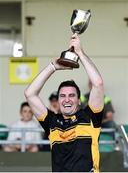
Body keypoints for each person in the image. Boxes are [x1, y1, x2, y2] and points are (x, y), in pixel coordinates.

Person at [25, 33, 104, 172]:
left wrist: (80, 52)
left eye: (71, 95)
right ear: (59, 100)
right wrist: (53, 67)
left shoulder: (90, 117)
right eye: (62, 96)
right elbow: (30, 94)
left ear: (79, 101)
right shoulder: (52, 123)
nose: (67, 99)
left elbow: (97, 83)